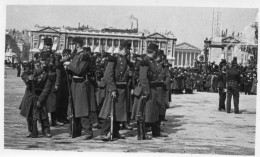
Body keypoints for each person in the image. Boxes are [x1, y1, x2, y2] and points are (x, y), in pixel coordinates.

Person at [131, 43, 168, 140]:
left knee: (153, 112)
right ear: (154, 51)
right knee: (143, 113)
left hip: (153, 89)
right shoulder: (145, 61)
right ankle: (142, 134)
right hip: (146, 90)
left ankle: (156, 132)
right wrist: (147, 91)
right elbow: (143, 78)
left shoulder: (151, 61)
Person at [99, 40, 132, 141]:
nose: (128, 52)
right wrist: (112, 89)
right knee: (110, 112)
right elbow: (108, 76)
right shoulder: (113, 59)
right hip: (115, 89)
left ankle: (115, 132)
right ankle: (104, 133)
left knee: (119, 113)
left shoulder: (125, 60)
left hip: (123, 89)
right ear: (124, 49)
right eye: (127, 50)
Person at [63, 37, 93, 140]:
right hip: (74, 83)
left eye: (74, 44)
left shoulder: (84, 56)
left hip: (81, 83)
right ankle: (75, 130)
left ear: (78, 44)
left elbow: (79, 70)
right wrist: (67, 67)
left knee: (82, 108)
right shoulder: (76, 55)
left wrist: (69, 65)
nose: (73, 46)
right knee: (73, 107)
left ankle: (88, 130)